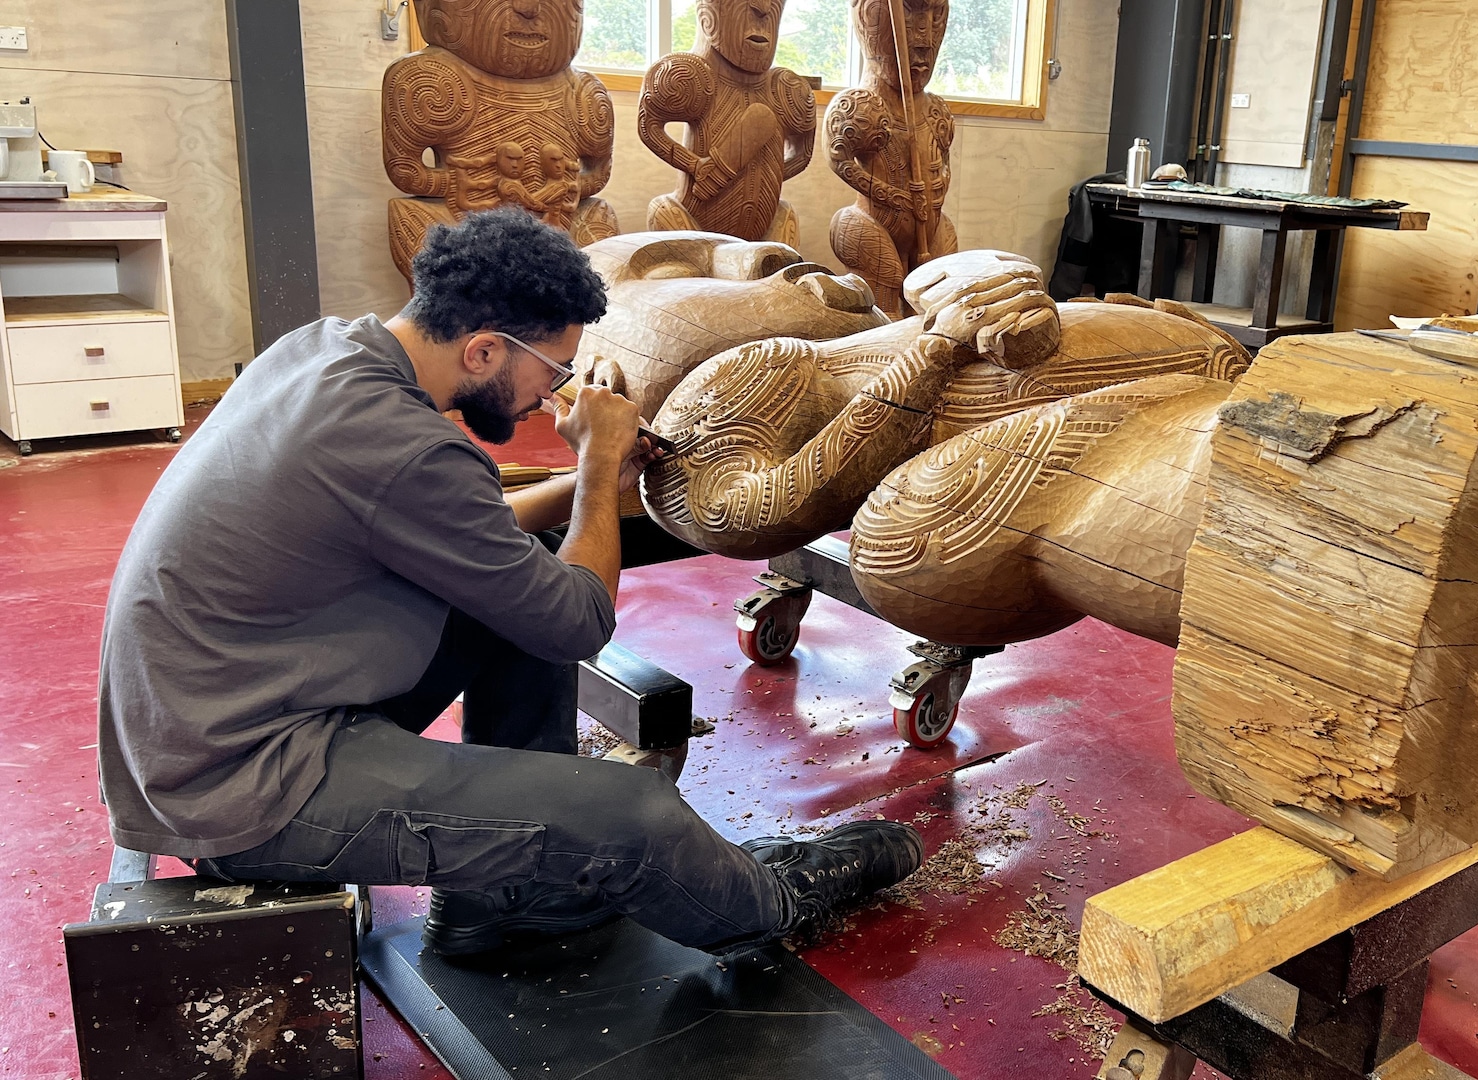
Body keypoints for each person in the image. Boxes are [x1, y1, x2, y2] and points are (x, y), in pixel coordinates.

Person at [96, 208, 922, 957]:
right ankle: (770, 903)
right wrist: (596, 466)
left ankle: (511, 897)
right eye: (552, 371)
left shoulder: (325, 351)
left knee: (512, 594)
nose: (548, 397)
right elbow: (578, 621)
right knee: (628, 817)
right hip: (242, 785)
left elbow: (461, 525)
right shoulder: (408, 446)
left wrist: (591, 483)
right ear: (484, 349)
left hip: (219, 711)